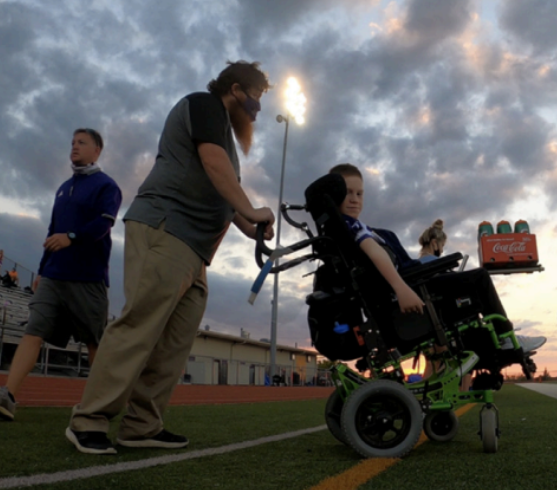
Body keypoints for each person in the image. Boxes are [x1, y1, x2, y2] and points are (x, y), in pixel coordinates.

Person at [66, 61, 276, 455]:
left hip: (195, 251)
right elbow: (214, 166)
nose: (258, 108)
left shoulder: (224, 135)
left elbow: (224, 196)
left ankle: (141, 426)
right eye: (256, 97)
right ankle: (88, 420)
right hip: (167, 229)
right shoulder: (205, 105)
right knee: (139, 326)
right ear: (235, 90)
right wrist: (252, 209)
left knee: (173, 344)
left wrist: (252, 228)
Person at [328, 164, 518, 358]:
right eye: (348, 193)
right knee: (480, 278)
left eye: (359, 194)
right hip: (409, 287)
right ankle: (506, 338)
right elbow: (375, 252)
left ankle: (491, 345)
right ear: (333, 195)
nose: (354, 199)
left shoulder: (341, 229)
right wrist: (401, 289)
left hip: (405, 284)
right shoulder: (350, 226)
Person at [0, 128, 122, 423]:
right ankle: (7, 397)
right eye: (72, 142)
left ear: (97, 151)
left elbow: (104, 225)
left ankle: (100, 403)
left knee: (94, 342)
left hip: (88, 276)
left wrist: (72, 237)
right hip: (54, 275)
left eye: (82, 142)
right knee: (33, 331)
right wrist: (42, 270)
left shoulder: (107, 186)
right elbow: (51, 232)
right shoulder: (63, 188)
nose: (74, 147)